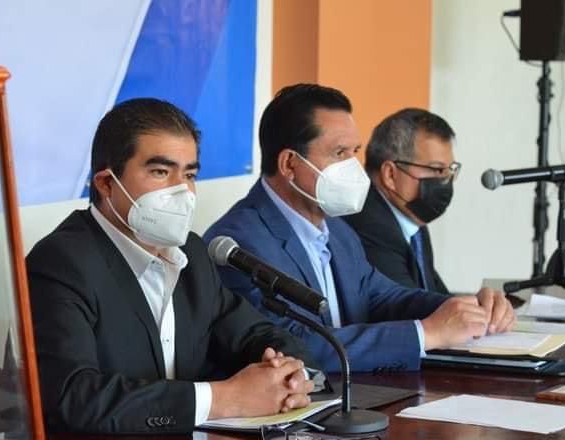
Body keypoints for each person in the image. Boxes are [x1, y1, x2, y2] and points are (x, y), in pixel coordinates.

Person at [27, 98, 320, 434]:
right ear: (107, 183)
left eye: (190, 174)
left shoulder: (191, 252)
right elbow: (72, 396)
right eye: (161, 172)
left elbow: (256, 335)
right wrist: (224, 399)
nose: (182, 190)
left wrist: (289, 376)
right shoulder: (60, 263)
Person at [203, 84, 515, 373]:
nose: (354, 167)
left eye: (355, 151)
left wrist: (466, 309)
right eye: (340, 153)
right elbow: (290, 346)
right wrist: (426, 333)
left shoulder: (339, 230)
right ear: (289, 164)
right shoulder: (238, 244)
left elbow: (384, 297)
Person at [344, 108, 456, 295]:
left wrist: (482, 305)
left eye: (450, 170)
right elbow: (407, 305)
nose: (445, 180)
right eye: (436, 169)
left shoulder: (412, 220)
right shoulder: (370, 226)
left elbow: (437, 295)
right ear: (390, 174)